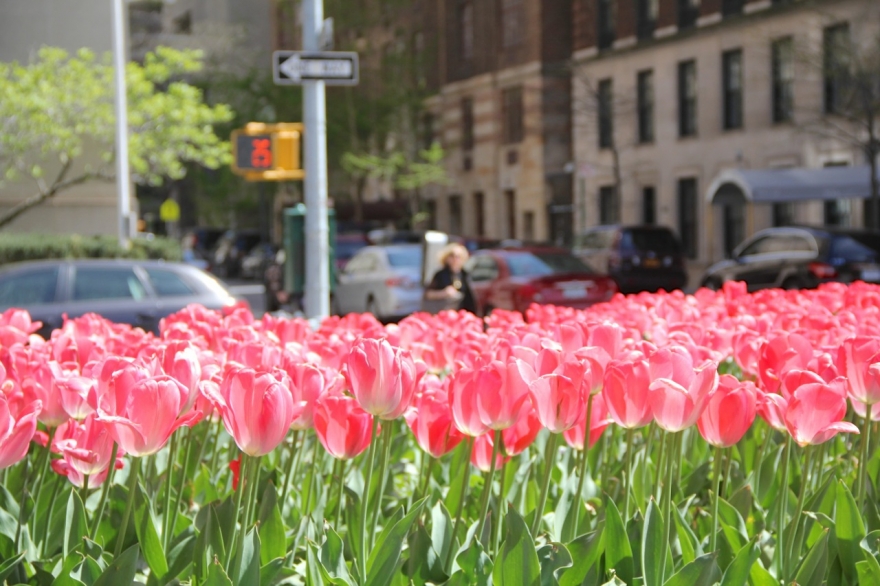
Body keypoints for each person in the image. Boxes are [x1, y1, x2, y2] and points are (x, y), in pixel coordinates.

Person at [424, 242, 477, 313]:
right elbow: (428, 294)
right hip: (444, 311)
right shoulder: (440, 274)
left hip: (461, 311)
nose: (455, 259)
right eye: (452, 256)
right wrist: (444, 293)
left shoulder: (465, 274)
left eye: (458, 256)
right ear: (446, 258)